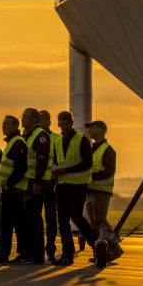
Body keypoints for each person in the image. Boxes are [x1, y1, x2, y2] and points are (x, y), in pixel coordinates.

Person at [52, 110, 97, 266]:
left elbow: (87, 163)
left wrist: (67, 170)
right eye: (61, 124)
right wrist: (54, 172)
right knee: (62, 220)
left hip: (77, 186)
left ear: (71, 123)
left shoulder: (82, 140)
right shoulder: (57, 141)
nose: (64, 126)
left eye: (66, 123)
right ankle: (67, 254)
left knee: (76, 216)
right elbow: (56, 162)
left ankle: (96, 245)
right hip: (62, 186)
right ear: (58, 124)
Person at [0, 115, 28, 265]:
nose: (3, 126)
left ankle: (22, 254)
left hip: (14, 190)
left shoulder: (18, 142)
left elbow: (21, 167)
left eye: (7, 124)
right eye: (3, 124)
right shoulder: (12, 142)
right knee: (6, 225)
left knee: (17, 223)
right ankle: (3, 254)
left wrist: (9, 183)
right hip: (8, 190)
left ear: (16, 126)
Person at [20, 107, 51, 264]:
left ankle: (35, 255)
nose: (22, 119)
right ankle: (30, 253)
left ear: (34, 120)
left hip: (36, 182)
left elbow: (42, 160)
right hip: (28, 181)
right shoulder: (27, 135)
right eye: (22, 116)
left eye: (26, 117)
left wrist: (38, 182)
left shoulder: (40, 136)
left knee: (33, 218)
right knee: (29, 217)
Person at [85, 120, 116, 237]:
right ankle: (100, 253)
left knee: (100, 221)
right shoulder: (92, 149)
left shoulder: (108, 150)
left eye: (92, 127)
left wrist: (90, 177)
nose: (89, 130)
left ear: (101, 130)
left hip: (101, 192)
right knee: (94, 224)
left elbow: (109, 171)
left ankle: (114, 245)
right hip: (91, 191)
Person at [39, 110, 61, 262]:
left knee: (51, 218)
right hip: (37, 182)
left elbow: (60, 159)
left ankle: (50, 249)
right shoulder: (34, 137)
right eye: (40, 120)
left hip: (51, 183)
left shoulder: (56, 138)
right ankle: (37, 249)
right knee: (34, 217)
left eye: (45, 120)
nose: (43, 123)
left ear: (49, 121)